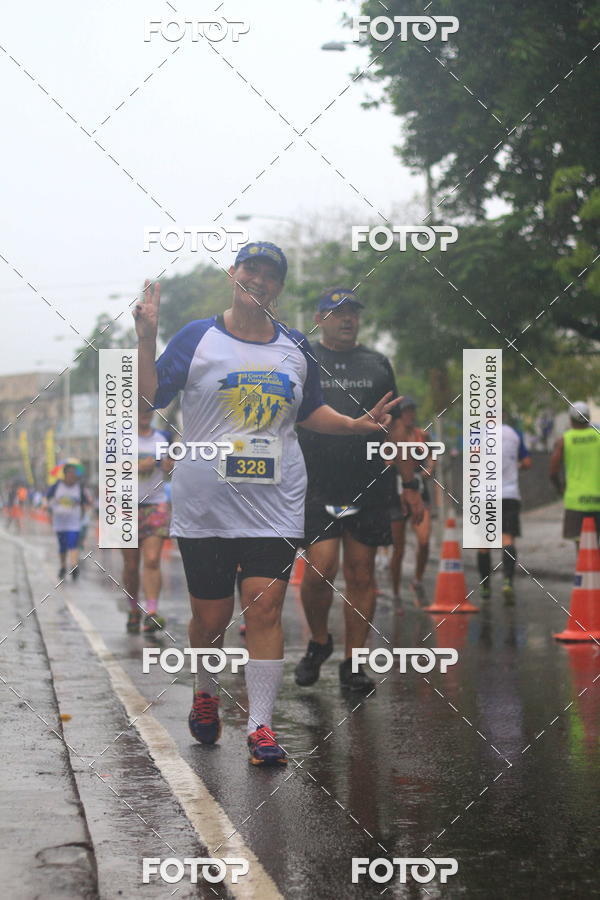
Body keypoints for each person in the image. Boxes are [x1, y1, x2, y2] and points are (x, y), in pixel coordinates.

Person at [134, 243, 401, 766]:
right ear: (234, 275)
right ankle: (206, 688)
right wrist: (146, 339)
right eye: (250, 269)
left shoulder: (295, 346)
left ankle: (259, 727)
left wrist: (353, 425)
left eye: (270, 274)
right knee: (210, 618)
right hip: (206, 503)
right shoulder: (197, 337)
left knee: (265, 605)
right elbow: (149, 398)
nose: (259, 279)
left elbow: (312, 409)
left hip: (275, 501)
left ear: (278, 287)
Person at [294, 289, 424, 693]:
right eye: (337, 313)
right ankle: (319, 641)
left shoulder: (378, 363)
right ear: (319, 318)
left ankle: (354, 662)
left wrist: (409, 482)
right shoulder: (304, 359)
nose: (346, 319)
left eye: (352, 313)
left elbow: (397, 428)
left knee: (362, 572)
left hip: (369, 483)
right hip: (316, 482)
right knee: (321, 568)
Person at [121, 405, 174, 634]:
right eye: (141, 409)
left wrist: (169, 466)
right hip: (125, 506)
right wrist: (135, 466)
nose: (144, 413)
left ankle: (151, 612)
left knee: (152, 560)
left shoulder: (163, 438)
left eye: (148, 409)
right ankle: (134, 609)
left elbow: (170, 472)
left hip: (156, 503)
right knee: (131, 566)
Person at [477, 412, 531, 602]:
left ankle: (485, 586)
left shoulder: (478, 434)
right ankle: (507, 581)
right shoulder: (514, 434)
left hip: (485, 495)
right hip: (509, 494)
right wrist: (514, 466)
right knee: (507, 538)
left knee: (484, 543)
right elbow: (526, 462)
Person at [388, 396, 435, 604]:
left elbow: (433, 454)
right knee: (398, 549)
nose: (409, 415)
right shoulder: (391, 437)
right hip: (397, 495)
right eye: (405, 411)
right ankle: (396, 591)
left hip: (418, 491)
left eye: (411, 411)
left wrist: (430, 468)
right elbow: (384, 458)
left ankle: (417, 579)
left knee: (424, 541)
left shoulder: (421, 435)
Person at [550, 401, 600, 549]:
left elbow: (553, 470)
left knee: (581, 545)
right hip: (598, 500)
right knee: (595, 542)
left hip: (575, 501)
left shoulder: (564, 440)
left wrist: (560, 488)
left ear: (570, 419)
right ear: (588, 418)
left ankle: (583, 570)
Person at [46, 464, 89, 580]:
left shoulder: (79, 488)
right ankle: (63, 567)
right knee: (63, 547)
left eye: (74, 473)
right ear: (65, 474)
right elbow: (47, 499)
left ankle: (74, 566)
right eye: (70, 472)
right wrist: (52, 507)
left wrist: (83, 515)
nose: (72, 475)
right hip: (59, 523)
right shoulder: (56, 486)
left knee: (73, 544)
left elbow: (84, 503)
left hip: (73, 523)